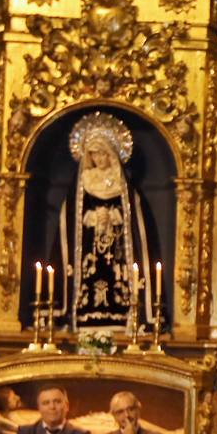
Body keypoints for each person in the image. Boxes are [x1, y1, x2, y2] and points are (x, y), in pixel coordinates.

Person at [57, 111, 154, 331]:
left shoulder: (122, 182)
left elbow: (133, 217)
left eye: (103, 154)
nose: (99, 159)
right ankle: (80, 316)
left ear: (111, 154)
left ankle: (126, 316)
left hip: (117, 246)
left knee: (115, 276)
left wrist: (112, 217)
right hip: (89, 244)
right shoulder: (84, 180)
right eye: (94, 155)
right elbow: (72, 215)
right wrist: (91, 217)